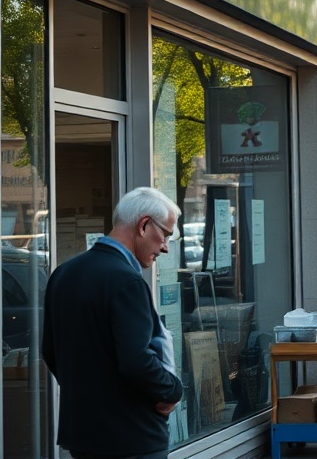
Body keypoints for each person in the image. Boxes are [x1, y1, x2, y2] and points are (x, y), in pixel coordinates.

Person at [43, 187, 184, 459]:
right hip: (133, 438)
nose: (165, 247)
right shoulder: (127, 282)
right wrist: (172, 390)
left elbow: (50, 351)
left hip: (82, 437)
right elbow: (136, 361)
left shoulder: (63, 275)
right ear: (144, 225)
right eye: (165, 234)